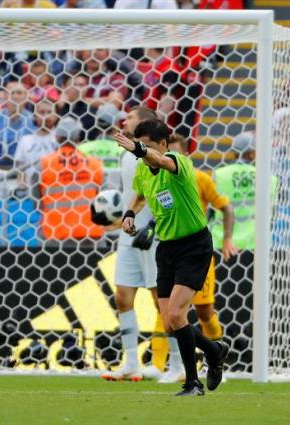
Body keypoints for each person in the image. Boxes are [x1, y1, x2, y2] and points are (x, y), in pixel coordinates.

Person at [116, 119, 229, 397]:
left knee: (178, 315)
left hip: (194, 245)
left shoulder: (178, 162)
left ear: (163, 145)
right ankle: (215, 350)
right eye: (141, 147)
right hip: (166, 247)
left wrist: (140, 149)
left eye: (151, 146)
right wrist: (130, 213)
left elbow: (160, 161)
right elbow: (140, 194)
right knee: (169, 322)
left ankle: (193, 383)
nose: (145, 153)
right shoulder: (144, 169)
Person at [98, 106, 182, 383]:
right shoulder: (125, 155)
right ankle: (131, 363)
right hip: (129, 234)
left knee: (164, 303)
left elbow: (170, 191)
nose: (126, 120)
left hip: (156, 236)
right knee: (122, 296)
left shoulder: (158, 157)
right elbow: (132, 194)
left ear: (147, 123)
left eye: (131, 117)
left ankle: (178, 365)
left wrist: (156, 225)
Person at [167, 133, 238, 343]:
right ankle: (162, 365)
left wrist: (227, 239)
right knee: (164, 308)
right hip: (169, 251)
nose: (172, 159)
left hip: (197, 253)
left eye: (176, 154)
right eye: (168, 154)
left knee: (204, 312)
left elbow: (226, 207)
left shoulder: (200, 179)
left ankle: (216, 359)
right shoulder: (158, 180)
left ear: (187, 155)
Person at [37, 117, 103, 242]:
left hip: (56, 231)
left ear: (56, 137)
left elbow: (36, 198)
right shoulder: (94, 163)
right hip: (90, 231)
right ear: (78, 138)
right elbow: (101, 193)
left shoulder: (44, 163)